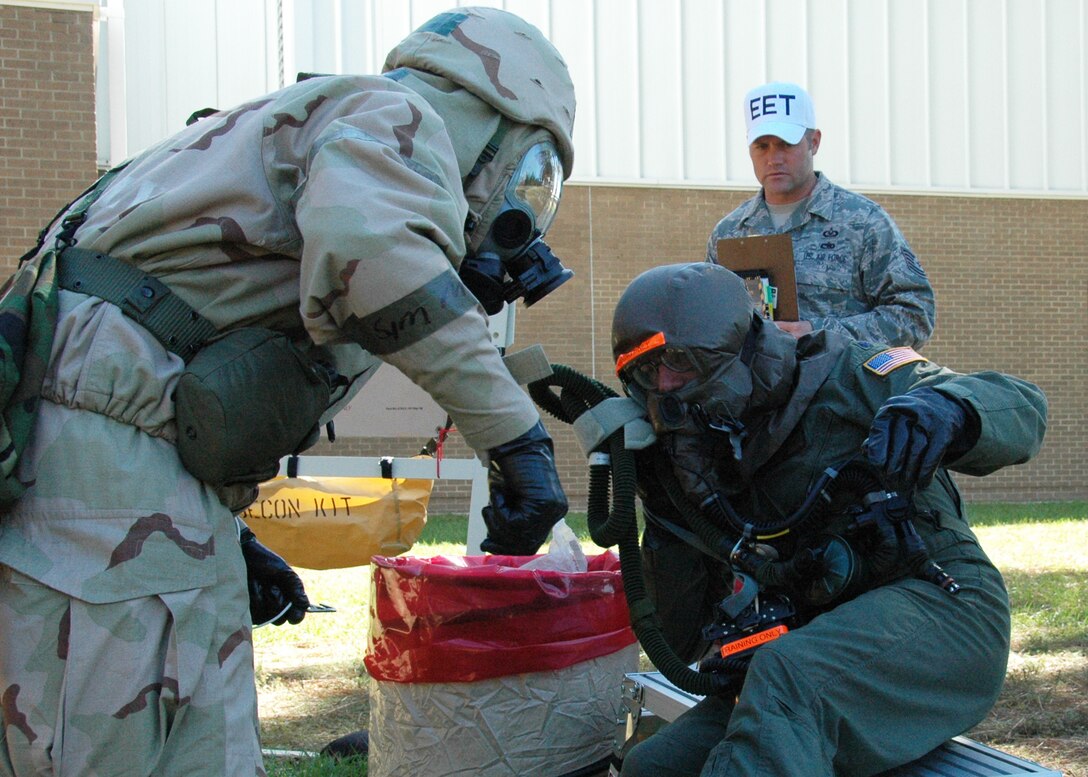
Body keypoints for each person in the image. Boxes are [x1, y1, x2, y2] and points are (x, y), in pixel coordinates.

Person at [0, 7, 573, 775]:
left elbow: (173, 352)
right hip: (99, 496)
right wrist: (519, 442)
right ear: (488, 119)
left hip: (131, 491)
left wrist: (227, 538)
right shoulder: (393, 115)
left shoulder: (304, 132)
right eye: (531, 174)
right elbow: (373, 255)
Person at [610, 262, 1047, 776]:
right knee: (654, 766)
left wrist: (950, 410)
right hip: (810, 641)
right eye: (645, 371)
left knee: (787, 674)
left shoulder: (852, 375)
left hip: (943, 608)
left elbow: (1023, 407)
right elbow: (681, 641)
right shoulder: (698, 460)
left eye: (677, 362)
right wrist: (661, 503)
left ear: (738, 348)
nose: (663, 387)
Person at [706, 81, 936, 349]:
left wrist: (819, 334)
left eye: (785, 144)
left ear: (813, 143)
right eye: (762, 146)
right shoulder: (729, 233)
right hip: (758, 390)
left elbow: (916, 316)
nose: (774, 158)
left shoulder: (863, 223)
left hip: (842, 388)